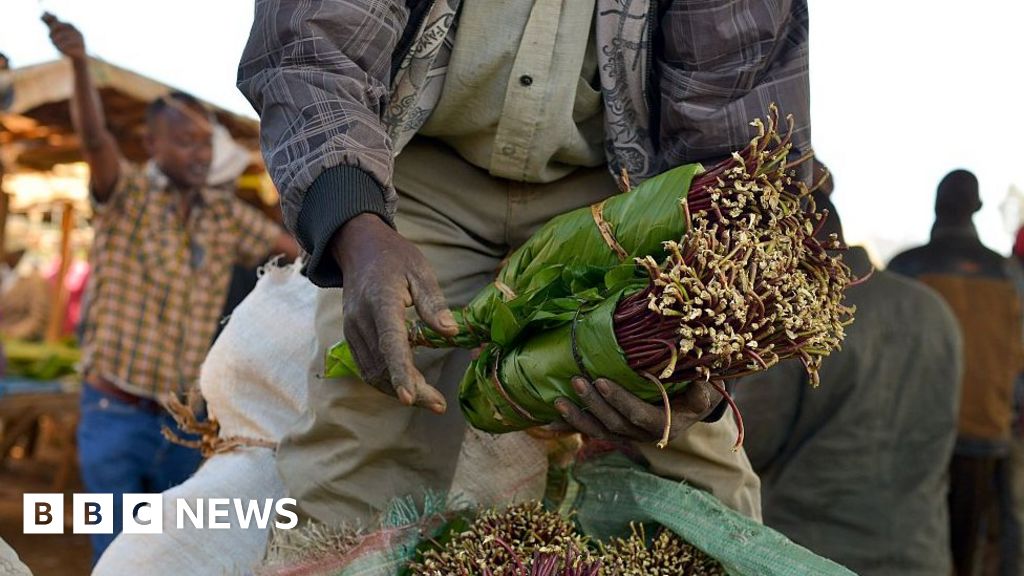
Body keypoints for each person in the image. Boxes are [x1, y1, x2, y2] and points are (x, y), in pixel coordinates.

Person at [238, 0, 810, 525]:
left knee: (691, 460)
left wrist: (705, 365)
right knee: (368, 419)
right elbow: (312, 45)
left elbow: (733, 131)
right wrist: (354, 222)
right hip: (412, 169)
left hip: (622, 190)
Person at [43, 13, 299, 563]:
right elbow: (94, 138)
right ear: (152, 143)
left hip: (183, 426)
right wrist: (80, 65)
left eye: (205, 143)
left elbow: (289, 245)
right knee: (116, 551)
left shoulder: (222, 213)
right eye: (185, 142)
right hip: (116, 411)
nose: (200, 153)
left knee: (171, 553)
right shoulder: (128, 195)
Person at [735, 166, 963, 575]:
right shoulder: (935, 311)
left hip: (813, 557)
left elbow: (748, 444)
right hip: (921, 553)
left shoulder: (800, 321)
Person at [889, 169, 1024, 576]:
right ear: (979, 208)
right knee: (964, 549)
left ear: (935, 205)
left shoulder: (903, 268)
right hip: (985, 428)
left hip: (913, 430)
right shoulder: (1009, 275)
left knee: (909, 545)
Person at [0, 238, 51, 341]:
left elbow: (38, 317)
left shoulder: (34, 281)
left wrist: (12, 334)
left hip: (19, 341)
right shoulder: (3, 273)